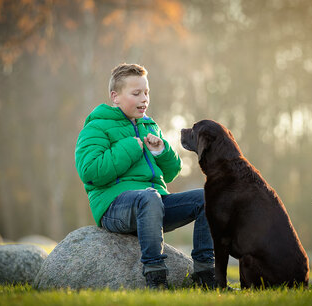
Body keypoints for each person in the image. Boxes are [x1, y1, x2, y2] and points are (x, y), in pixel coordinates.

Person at [75, 63, 215, 289]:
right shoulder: (97, 127)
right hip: (115, 207)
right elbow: (91, 173)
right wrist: (130, 148)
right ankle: (156, 278)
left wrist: (161, 150)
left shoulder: (150, 125)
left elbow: (170, 173)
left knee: (208, 197)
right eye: (136, 93)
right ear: (115, 96)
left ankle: (205, 275)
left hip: (155, 203)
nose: (144, 98)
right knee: (148, 198)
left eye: (146, 92)